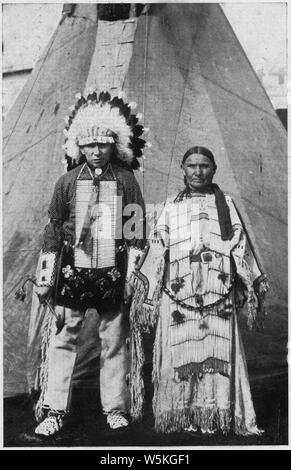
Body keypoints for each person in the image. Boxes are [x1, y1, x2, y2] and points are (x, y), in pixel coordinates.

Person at [128, 146, 269, 435]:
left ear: (214, 169)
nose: (197, 171)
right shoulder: (172, 205)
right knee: (181, 355)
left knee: (216, 355)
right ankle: (183, 415)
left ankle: (215, 415)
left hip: (218, 292)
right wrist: (148, 293)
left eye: (204, 165)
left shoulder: (225, 204)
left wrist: (252, 283)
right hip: (179, 295)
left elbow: (240, 245)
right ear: (183, 168)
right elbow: (157, 246)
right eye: (191, 165)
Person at [33, 90, 146, 436]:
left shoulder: (126, 180)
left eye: (103, 144)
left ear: (116, 145)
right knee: (64, 337)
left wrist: (131, 277)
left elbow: (136, 230)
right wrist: (46, 278)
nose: (96, 151)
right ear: (77, 146)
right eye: (88, 144)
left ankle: (115, 408)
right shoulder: (66, 183)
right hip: (72, 271)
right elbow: (53, 231)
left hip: (113, 272)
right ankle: (55, 410)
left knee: (114, 339)